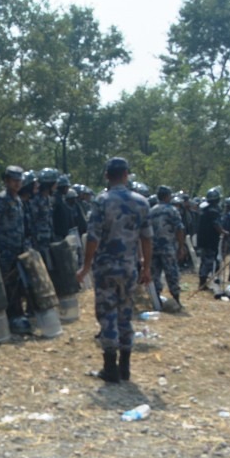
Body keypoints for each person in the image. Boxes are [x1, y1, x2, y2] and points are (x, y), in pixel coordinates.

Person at [76, 157, 152, 383]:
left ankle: (110, 369)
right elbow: (147, 238)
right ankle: (125, 368)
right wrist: (147, 268)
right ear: (126, 174)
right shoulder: (142, 202)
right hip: (130, 268)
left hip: (106, 268)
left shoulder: (102, 201)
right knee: (126, 314)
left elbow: (93, 237)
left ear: (107, 176)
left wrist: (86, 266)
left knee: (108, 315)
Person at [0, 165, 28, 332]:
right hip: (3, 250)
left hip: (16, 249)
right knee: (5, 284)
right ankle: (9, 318)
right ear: (6, 181)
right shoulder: (1, 199)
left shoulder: (17, 200)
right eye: (14, 180)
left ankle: (17, 315)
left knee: (16, 284)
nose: (17, 184)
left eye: (19, 180)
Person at [148, 185, 185, 310]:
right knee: (172, 273)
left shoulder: (151, 210)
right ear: (167, 196)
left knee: (155, 274)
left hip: (153, 248)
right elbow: (179, 229)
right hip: (168, 247)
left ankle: (156, 300)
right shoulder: (172, 210)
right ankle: (176, 299)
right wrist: (181, 246)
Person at [196, 188, 223, 289]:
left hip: (203, 240)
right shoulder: (213, 211)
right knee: (208, 262)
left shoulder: (204, 210)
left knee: (205, 261)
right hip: (210, 241)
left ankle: (203, 282)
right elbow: (216, 224)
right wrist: (223, 232)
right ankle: (202, 283)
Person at [30, 168, 58, 262]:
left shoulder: (48, 199)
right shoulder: (36, 200)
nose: (56, 185)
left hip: (48, 238)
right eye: (54, 183)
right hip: (39, 240)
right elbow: (32, 221)